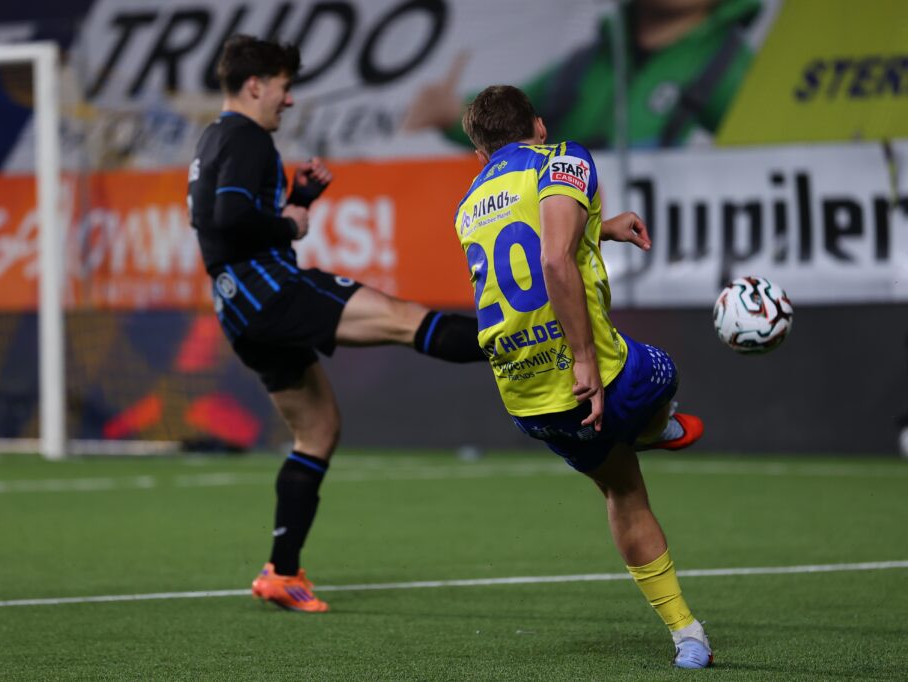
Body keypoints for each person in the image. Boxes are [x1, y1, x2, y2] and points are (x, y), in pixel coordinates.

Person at [187, 35, 486, 614]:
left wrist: (298, 199)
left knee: (318, 431)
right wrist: (292, 224)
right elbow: (230, 217)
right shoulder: (247, 136)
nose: (289, 99)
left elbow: (223, 218)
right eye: (284, 87)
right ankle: (533, 339)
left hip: (238, 309)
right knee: (406, 321)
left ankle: (281, 572)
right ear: (255, 85)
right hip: (271, 291)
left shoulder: (213, 139)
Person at [453, 85, 710, 669]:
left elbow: (530, 242)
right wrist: (585, 358)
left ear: (480, 154)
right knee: (664, 372)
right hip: (602, 375)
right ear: (539, 127)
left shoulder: (468, 203)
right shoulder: (562, 158)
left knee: (622, 491)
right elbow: (551, 257)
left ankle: (689, 635)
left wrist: (601, 226)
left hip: (526, 395)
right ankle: (655, 427)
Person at [404, 0, 761, 149]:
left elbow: (763, 165)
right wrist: (456, 114)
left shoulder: (729, 66)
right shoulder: (589, 61)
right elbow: (513, 116)